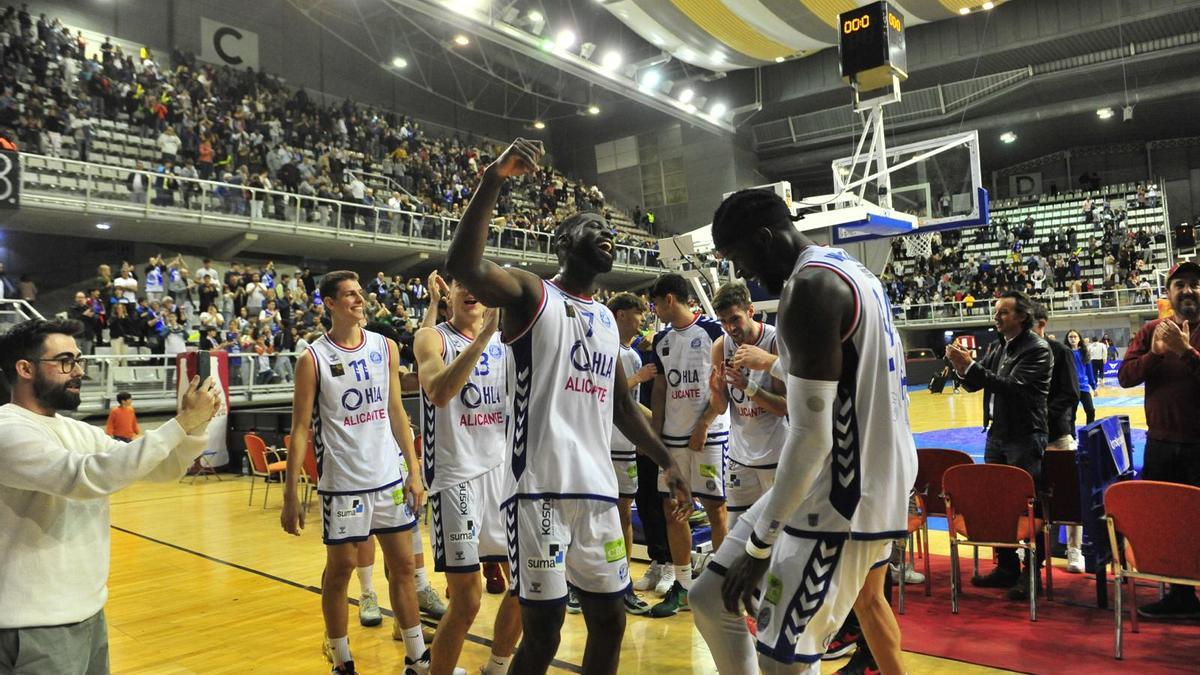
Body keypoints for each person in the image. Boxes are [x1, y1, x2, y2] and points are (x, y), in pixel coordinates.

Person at [445, 138, 690, 675]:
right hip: (539, 490)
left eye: (609, 231)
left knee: (609, 623)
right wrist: (493, 178)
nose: (606, 236)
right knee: (545, 632)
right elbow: (464, 264)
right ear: (564, 241)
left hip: (598, 492)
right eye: (592, 229)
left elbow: (623, 407)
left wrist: (668, 461)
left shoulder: (606, 319)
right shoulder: (532, 295)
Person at [688, 189, 915, 675]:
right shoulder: (855, 272)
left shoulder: (808, 288)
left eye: (740, 259)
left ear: (765, 238)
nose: (745, 275)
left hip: (844, 496)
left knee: (783, 656)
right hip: (837, 481)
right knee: (709, 596)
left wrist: (760, 546)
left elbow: (812, 434)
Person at [0, 319, 220, 674]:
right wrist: (179, 423)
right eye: (65, 361)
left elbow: (159, 469)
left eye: (78, 360)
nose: (78, 371)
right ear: (25, 369)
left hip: (88, 612)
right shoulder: (7, 430)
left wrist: (196, 426)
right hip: (33, 624)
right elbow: (85, 477)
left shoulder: (77, 430)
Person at [279, 271, 429, 675]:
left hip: (387, 480)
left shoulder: (385, 347)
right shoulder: (313, 358)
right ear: (329, 303)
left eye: (360, 293)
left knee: (402, 568)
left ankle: (417, 657)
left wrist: (413, 471)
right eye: (350, 294)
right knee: (341, 570)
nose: (360, 299)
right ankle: (342, 658)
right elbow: (299, 430)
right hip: (343, 486)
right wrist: (291, 494)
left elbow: (397, 411)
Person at [412, 271, 521, 675]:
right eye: (462, 285)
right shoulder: (432, 338)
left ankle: (496, 666)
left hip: (503, 475)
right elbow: (439, 393)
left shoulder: (509, 341)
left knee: (529, 584)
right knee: (468, 601)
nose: (471, 292)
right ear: (450, 294)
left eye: (478, 286)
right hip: (456, 479)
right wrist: (481, 339)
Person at [946, 291, 1051, 599]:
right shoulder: (999, 347)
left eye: (1003, 312)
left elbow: (1012, 388)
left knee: (1027, 506)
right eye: (996, 312)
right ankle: (1006, 567)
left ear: (1022, 316)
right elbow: (977, 383)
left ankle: (1033, 572)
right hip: (999, 435)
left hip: (1025, 436)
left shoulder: (1038, 349)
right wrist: (961, 367)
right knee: (997, 503)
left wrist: (972, 366)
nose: (996, 317)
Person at [1118, 260, 1200, 619]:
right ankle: (1180, 597)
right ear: (1168, 294)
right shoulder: (1153, 329)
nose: (1188, 290)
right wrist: (1156, 354)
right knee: (1169, 523)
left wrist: (1186, 352)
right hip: (1162, 445)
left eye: (1195, 284)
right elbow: (1125, 377)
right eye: (1180, 284)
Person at [646, 272, 731, 618]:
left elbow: (724, 386)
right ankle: (682, 585)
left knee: (715, 507)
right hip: (673, 440)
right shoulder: (661, 339)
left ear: (669, 299)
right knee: (672, 510)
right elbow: (662, 389)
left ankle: (723, 587)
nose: (654, 312)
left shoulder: (713, 330)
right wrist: (654, 436)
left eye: (655, 304)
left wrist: (704, 422)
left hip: (709, 435)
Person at [708, 281, 787, 530]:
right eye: (723, 321)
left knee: (774, 534)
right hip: (739, 457)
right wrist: (715, 390)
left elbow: (784, 407)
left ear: (750, 311)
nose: (730, 328)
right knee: (737, 531)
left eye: (735, 319)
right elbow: (720, 408)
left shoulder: (774, 341)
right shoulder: (721, 346)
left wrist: (747, 387)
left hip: (775, 455)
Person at [605, 292, 658, 616]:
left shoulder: (634, 356)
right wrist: (637, 380)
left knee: (623, 515)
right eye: (638, 315)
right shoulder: (606, 349)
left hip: (624, 446)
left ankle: (622, 581)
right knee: (594, 516)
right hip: (601, 444)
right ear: (622, 315)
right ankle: (578, 582)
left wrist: (656, 426)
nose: (642, 322)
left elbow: (630, 406)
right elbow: (609, 397)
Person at [1031, 305, 1084, 574]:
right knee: (1033, 497)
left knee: (1069, 493)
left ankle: (1075, 548)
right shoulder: (1014, 352)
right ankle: (1032, 548)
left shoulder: (1060, 352)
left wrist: (1041, 416)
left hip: (1057, 433)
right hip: (1027, 440)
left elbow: (1071, 393)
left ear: (1042, 324)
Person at [1064, 330, 1097, 425]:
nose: (1073, 339)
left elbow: (1089, 371)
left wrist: (1094, 387)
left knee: (1090, 410)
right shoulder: (1065, 352)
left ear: (1079, 339)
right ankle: (1072, 436)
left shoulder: (1084, 352)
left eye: (1075, 336)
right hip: (1071, 388)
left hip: (1084, 387)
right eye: (1070, 337)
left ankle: (1089, 431)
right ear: (1067, 339)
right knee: (1071, 415)